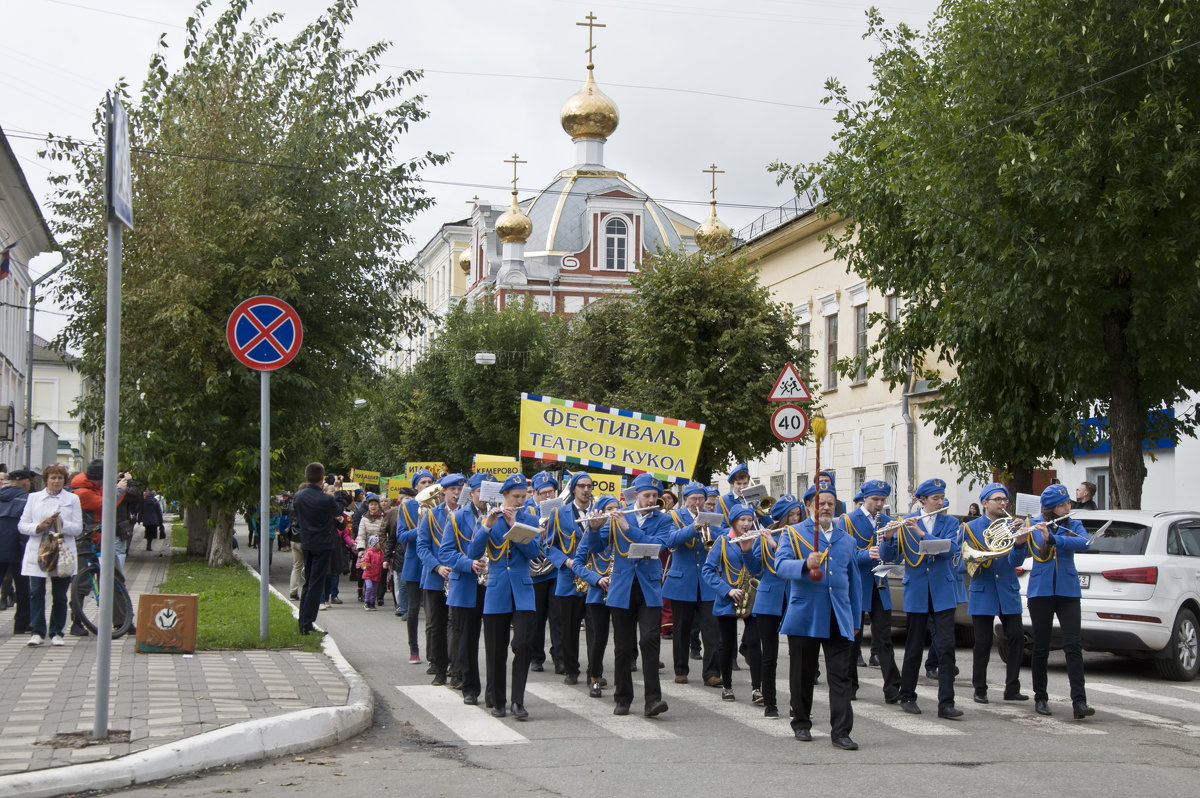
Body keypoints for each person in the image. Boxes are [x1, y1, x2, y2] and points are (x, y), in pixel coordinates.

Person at [775, 483, 861, 749]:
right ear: (809, 505)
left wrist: (856, 620)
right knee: (802, 673)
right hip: (805, 613)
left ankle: (841, 731)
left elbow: (853, 583)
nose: (825, 508)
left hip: (838, 614)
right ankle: (801, 722)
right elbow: (780, 566)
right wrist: (804, 564)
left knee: (841, 676)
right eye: (820, 503)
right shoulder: (793, 534)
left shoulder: (846, 540)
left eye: (830, 504)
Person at [881, 477, 965, 719]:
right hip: (917, 591)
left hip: (943, 591)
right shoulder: (904, 523)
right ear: (922, 500)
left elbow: (950, 550)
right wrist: (888, 537)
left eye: (941, 498)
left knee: (947, 647)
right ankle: (907, 695)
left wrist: (919, 533)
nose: (940, 502)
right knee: (914, 645)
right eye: (935, 499)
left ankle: (946, 703)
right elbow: (890, 557)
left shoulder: (950, 522)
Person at [1015, 483, 1094, 719]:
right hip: (1041, 591)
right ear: (1050, 507)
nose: (1068, 506)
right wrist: (1019, 542)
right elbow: (1017, 557)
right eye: (1062, 504)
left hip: (1068, 591)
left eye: (1069, 502)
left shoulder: (1073, 523)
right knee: (1041, 646)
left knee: (1073, 646)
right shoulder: (1032, 524)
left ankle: (1079, 701)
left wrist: (1055, 539)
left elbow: (1085, 543)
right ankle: (1041, 697)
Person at [470, 473, 541, 719]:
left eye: (523, 496)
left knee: (522, 644)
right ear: (504, 496)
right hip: (497, 588)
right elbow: (473, 551)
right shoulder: (489, 519)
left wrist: (515, 526)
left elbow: (533, 552)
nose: (520, 501)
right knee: (495, 649)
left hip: (522, 589)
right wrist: (487, 526)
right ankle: (498, 701)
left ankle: (518, 701)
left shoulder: (529, 518)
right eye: (515, 497)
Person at [605, 473, 670, 718]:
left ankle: (653, 700)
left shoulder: (663, 520)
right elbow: (597, 544)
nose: (652, 499)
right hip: (623, 587)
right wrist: (593, 528)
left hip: (649, 587)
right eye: (647, 496)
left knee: (650, 640)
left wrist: (627, 528)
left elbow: (656, 546)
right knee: (622, 647)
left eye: (655, 495)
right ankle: (622, 698)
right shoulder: (619, 514)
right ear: (636, 495)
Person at [964, 483, 1030, 704]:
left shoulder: (1012, 526)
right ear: (984, 503)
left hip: (1007, 589)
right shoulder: (970, 528)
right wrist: (978, 562)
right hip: (983, 588)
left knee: (1016, 637)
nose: (1003, 503)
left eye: (1005, 500)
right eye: (998, 500)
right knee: (982, 642)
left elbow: (1016, 561)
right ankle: (980, 688)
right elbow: (960, 562)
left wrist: (1020, 543)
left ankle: (1012, 687)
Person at [845, 479, 901, 704]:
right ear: (864, 499)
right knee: (853, 638)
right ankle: (849, 685)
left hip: (880, 586)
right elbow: (844, 555)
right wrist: (865, 555)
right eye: (874, 500)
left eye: (882, 500)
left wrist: (888, 540)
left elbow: (893, 556)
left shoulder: (888, 521)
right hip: (858, 585)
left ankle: (892, 687)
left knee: (884, 638)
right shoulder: (848, 521)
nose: (879, 504)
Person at [701, 503, 763, 702]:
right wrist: (726, 590)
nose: (746, 524)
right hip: (728, 598)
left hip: (751, 598)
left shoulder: (756, 540)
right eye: (742, 520)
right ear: (734, 522)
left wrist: (747, 550)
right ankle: (727, 685)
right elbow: (707, 570)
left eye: (749, 520)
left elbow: (756, 570)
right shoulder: (722, 541)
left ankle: (756, 689)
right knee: (726, 645)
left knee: (754, 643)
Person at [442, 472, 494, 706]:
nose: (485, 497)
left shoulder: (502, 515)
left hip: (494, 584)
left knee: (496, 641)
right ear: (471, 493)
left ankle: (495, 692)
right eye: (481, 492)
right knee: (467, 640)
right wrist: (468, 563)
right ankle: (470, 687)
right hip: (467, 584)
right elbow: (445, 552)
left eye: (490, 492)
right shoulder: (457, 517)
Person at [663, 481, 721, 687]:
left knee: (712, 629)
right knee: (681, 629)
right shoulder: (673, 516)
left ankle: (712, 672)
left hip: (707, 582)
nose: (697, 502)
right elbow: (670, 540)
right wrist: (692, 528)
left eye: (701, 499)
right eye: (693, 499)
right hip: (682, 581)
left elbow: (722, 538)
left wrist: (709, 531)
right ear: (686, 499)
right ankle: (681, 670)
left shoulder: (713, 517)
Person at [19, 464, 83, 646]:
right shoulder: (34, 498)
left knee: (60, 594)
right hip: (39, 550)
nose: (56, 481)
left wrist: (62, 523)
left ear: (65, 480)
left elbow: (78, 528)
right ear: (46, 479)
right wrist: (38, 527)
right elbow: (22, 525)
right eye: (53, 478)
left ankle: (57, 632)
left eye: (60, 478)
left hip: (61, 550)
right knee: (36, 591)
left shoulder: (72, 499)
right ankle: (37, 631)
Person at [417, 473, 465, 686]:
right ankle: (438, 667)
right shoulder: (430, 515)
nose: (456, 493)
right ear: (443, 491)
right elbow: (422, 546)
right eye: (452, 489)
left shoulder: (466, 514)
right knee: (436, 625)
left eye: (459, 489)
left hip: (458, 576)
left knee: (457, 625)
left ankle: (456, 668)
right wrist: (437, 566)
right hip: (436, 578)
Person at [546, 472, 594, 685]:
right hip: (569, 578)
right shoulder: (559, 513)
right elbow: (548, 546)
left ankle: (595, 670)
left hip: (594, 579)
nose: (586, 490)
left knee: (595, 628)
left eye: (589, 486)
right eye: (582, 486)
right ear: (573, 488)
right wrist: (565, 562)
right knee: (569, 628)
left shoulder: (599, 511)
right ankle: (571, 669)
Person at [751, 495, 796, 717]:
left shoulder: (803, 536)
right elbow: (755, 568)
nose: (796, 518)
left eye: (798, 514)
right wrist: (747, 546)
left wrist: (775, 544)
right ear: (781, 517)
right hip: (768, 599)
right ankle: (770, 702)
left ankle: (798, 704)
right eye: (791, 515)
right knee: (769, 654)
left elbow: (795, 563)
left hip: (795, 598)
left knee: (798, 655)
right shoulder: (765, 535)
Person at [573, 496, 619, 697]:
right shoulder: (591, 534)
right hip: (598, 592)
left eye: (617, 508)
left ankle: (622, 680)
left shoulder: (624, 532)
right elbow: (577, 564)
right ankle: (594, 677)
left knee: (623, 639)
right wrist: (597, 578)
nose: (614, 512)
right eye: (609, 509)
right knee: (598, 638)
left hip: (621, 591)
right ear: (600, 512)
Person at [292, 462, 340, 634]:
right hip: (323, 544)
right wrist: (337, 491)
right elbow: (338, 512)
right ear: (322, 478)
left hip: (306, 542)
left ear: (306, 477)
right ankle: (307, 623)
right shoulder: (327, 498)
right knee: (316, 584)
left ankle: (302, 621)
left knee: (307, 583)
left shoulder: (298, 496)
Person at [526, 471, 562, 674]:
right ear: (536, 494)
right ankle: (536, 656)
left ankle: (560, 657)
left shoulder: (560, 510)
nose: (548, 497)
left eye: (551, 492)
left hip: (555, 569)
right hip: (535, 570)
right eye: (544, 493)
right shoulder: (527, 511)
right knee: (536, 617)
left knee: (557, 616)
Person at [398, 470, 434, 665]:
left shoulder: (438, 505)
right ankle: (414, 648)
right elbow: (401, 536)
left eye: (430, 482)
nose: (427, 485)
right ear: (415, 487)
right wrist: (419, 530)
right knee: (413, 608)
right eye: (423, 482)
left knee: (432, 610)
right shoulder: (406, 507)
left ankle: (433, 652)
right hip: (414, 562)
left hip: (432, 562)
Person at [0, 469, 35, 635]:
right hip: (17, 549)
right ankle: (22, 623)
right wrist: (25, 551)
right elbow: (23, 530)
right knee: (23, 588)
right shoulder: (27, 499)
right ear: (26, 482)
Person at [356, 496, 386, 606]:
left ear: (379, 506)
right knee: (366, 572)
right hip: (368, 550)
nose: (373, 507)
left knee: (381, 573)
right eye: (371, 504)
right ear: (368, 506)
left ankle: (379, 596)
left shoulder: (383, 518)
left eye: (375, 504)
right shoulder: (364, 519)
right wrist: (361, 549)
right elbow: (361, 535)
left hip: (379, 550)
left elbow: (384, 534)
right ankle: (364, 592)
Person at [359, 535, 385, 611]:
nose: (380, 544)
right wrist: (365, 567)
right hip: (368, 574)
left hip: (376, 574)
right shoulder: (369, 552)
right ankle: (367, 602)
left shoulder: (381, 553)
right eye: (378, 543)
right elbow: (365, 561)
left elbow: (383, 560)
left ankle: (372, 602)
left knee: (374, 590)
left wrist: (387, 562)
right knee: (369, 587)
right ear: (375, 544)